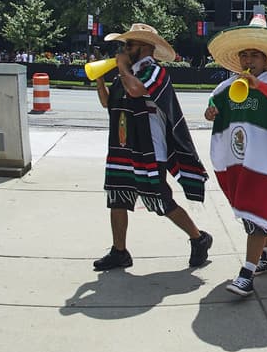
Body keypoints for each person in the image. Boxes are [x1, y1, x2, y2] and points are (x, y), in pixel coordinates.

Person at [91, 23, 213, 272]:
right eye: (125, 45)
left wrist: (122, 67)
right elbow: (108, 103)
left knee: (160, 201)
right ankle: (119, 251)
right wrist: (100, 80)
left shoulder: (155, 72)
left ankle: (199, 238)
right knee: (117, 197)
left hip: (149, 149)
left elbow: (136, 91)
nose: (125, 50)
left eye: (130, 45)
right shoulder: (125, 75)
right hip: (122, 146)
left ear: (146, 47)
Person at [205, 14, 267, 298]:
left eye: (255, 54)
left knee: (256, 214)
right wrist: (211, 110)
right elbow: (214, 103)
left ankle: (247, 274)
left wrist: (260, 86)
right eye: (244, 55)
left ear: (266, 59)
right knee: (253, 214)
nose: (249, 60)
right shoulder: (229, 85)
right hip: (240, 160)